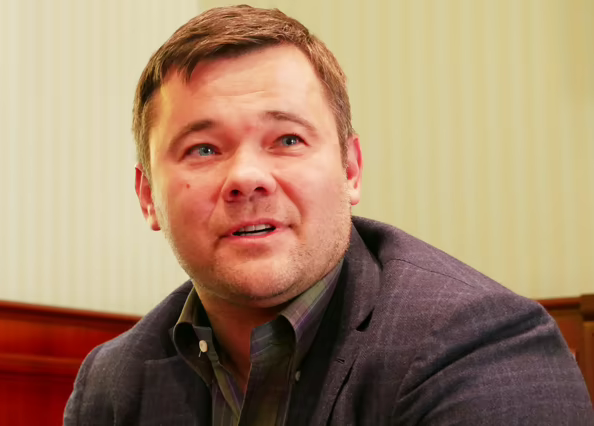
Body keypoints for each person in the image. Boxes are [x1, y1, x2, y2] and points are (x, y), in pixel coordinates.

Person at [64, 5, 593, 425]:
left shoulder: (476, 348)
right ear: (147, 196)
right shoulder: (113, 382)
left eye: (288, 139)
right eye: (203, 149)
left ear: (351, 169)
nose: (247, 177)